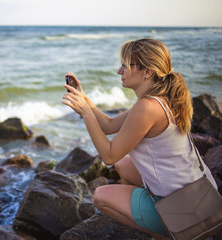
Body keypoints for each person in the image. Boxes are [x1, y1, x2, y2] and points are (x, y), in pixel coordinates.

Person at [62, 38, 217, 239]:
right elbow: (108, 126)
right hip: (203, 196)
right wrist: (84, 99)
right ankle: (151, 211)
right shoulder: (161, 98)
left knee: (101, 196)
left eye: (125, 65)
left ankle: (171, 234)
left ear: (147, 72)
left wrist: (86, 113)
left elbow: (108, 155)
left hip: (184, 211)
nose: (119, 71)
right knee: (123, 165)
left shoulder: (147, 108)